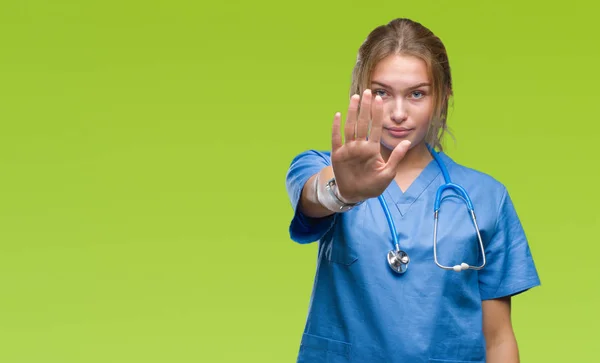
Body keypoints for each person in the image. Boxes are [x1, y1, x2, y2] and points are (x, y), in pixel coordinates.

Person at [284, 18, 541, 363]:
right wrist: (341, 192)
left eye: (417, 94)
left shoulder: (486, 197)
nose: (399, 113)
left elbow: (497, 338)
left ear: (442, 96)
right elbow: (313, 197)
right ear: (360, 92)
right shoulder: (319, 167)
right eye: (381, 93)